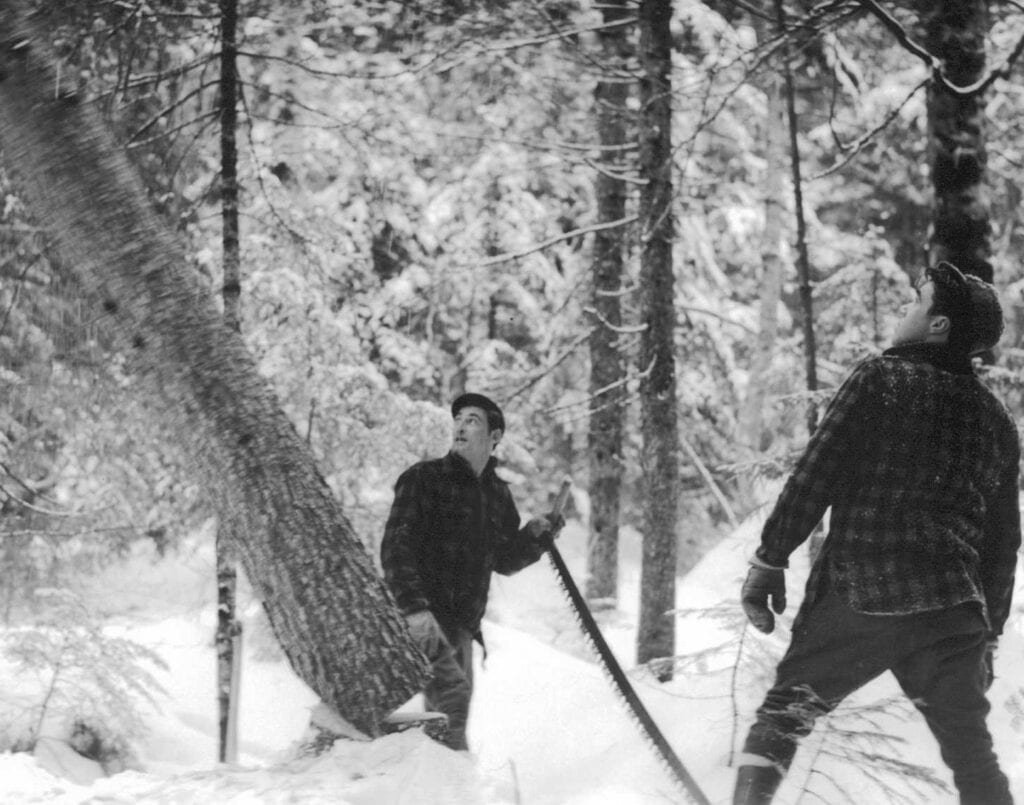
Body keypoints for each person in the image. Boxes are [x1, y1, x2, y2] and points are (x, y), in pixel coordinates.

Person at [734, 262, 1020, 805]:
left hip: (862, 594)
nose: (904, 310)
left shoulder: (880, 379)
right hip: (952, 611)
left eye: (916, 302)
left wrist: (770, 560)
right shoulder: (998, 421)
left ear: (938, 326)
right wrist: (990, 634)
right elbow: (1003, 544)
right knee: (973, 760)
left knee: (783, 715)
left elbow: (815, 475)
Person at [380, 392, 564, 751]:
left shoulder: (497, 495)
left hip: (460, 627)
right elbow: (395, 547)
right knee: (451, 704)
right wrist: (414, 610)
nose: (461, 426)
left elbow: (505, 559)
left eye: (472, 420)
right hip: (420, 616)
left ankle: (401, 767)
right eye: (459, 418)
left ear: (494, 437)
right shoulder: (424, 478)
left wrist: (535, 536)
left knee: (447, 719)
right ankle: (440, 781)